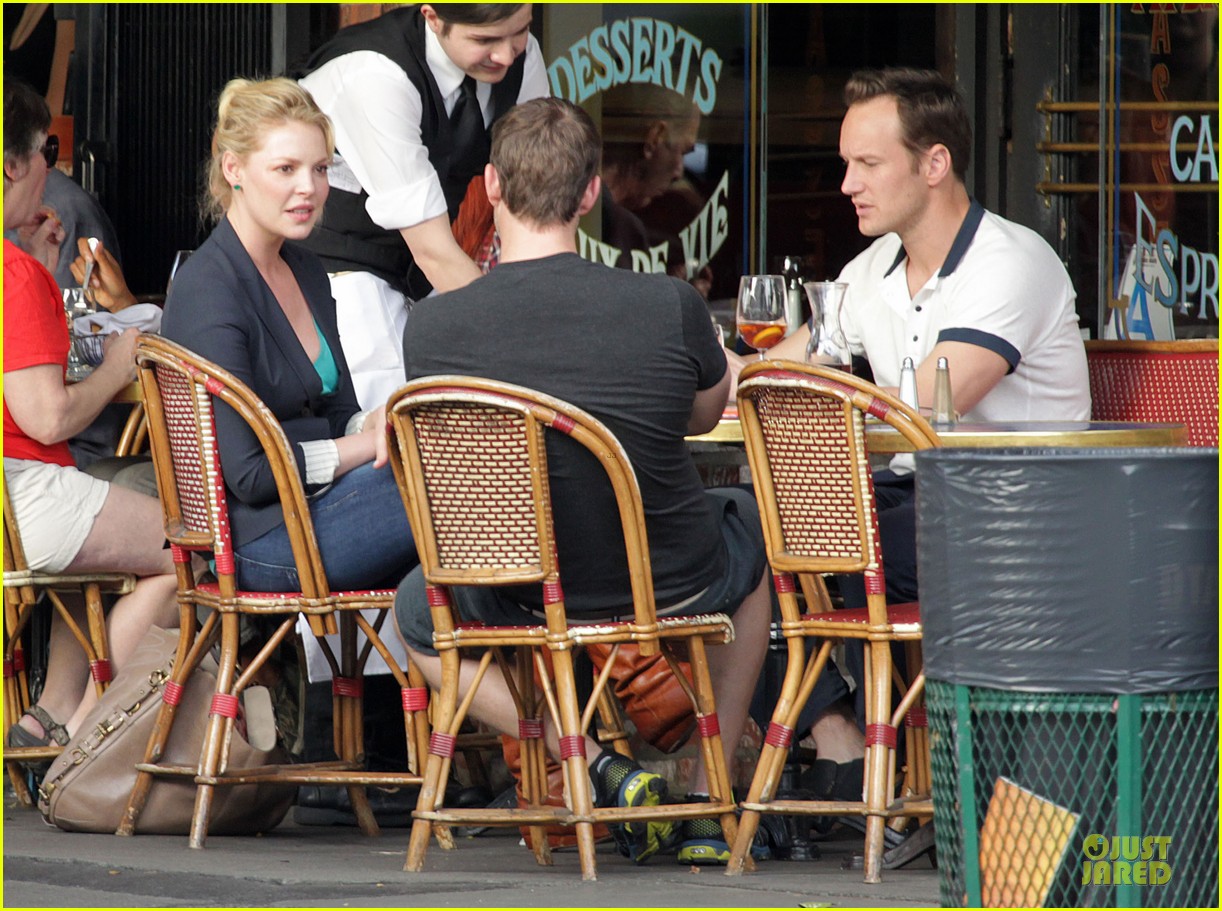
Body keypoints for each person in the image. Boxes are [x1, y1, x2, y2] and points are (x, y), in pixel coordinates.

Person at [396, 97, 773, 866]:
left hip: (515, 585)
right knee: (751, 542)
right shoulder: (667, 303)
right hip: (661, 578)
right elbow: (704, 416)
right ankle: (707, 800)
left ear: (492, 187)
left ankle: (596, 765)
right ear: (592, 192)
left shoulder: (433, 327)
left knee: (415, 610)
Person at [764, 67, 1091, 766]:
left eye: (868, 164)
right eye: (847, 163)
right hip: (920, 498)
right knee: (730, 529)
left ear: (934, 164)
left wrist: (813, 399)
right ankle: (841, 740)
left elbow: (936, 397)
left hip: (1013, 513)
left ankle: (890, 761)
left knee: (805, 535)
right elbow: (777, 373)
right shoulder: (875, 266)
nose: (847, 184)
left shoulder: (1010, 261)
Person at [160, 76, 418, 596]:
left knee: (452, 471)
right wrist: (362, 444)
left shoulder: (305, 268)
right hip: (259, 540)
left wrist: (375, 424)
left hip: (320, 505)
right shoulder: (209, 286)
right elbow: (252, 474)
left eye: (320, 169)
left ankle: (450, 636)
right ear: (234, 170)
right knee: (454, 484)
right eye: (286, 169)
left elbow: (339, 412)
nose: (310, 188)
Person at [2, 79, 178, 754]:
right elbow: (48, 418)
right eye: (44, 151)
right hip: (27, 493)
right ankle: (85, 737)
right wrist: (120, 361)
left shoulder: (20, 269)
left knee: (101, 521)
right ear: (12, 165)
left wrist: (41, 267)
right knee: (192, 550)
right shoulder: (13, 275)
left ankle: (48, 715)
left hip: (18, 501)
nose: (51, 167)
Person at [296, 3, 548, 410]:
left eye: (520, 31)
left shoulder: (523, 56)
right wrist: (522, 341)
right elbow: (434, 252)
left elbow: (536, 201)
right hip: (331, 266)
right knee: (392, 407)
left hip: (419, 267)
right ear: (433, 17)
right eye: (484, 39)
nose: (506, 54)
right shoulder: (375, 74)